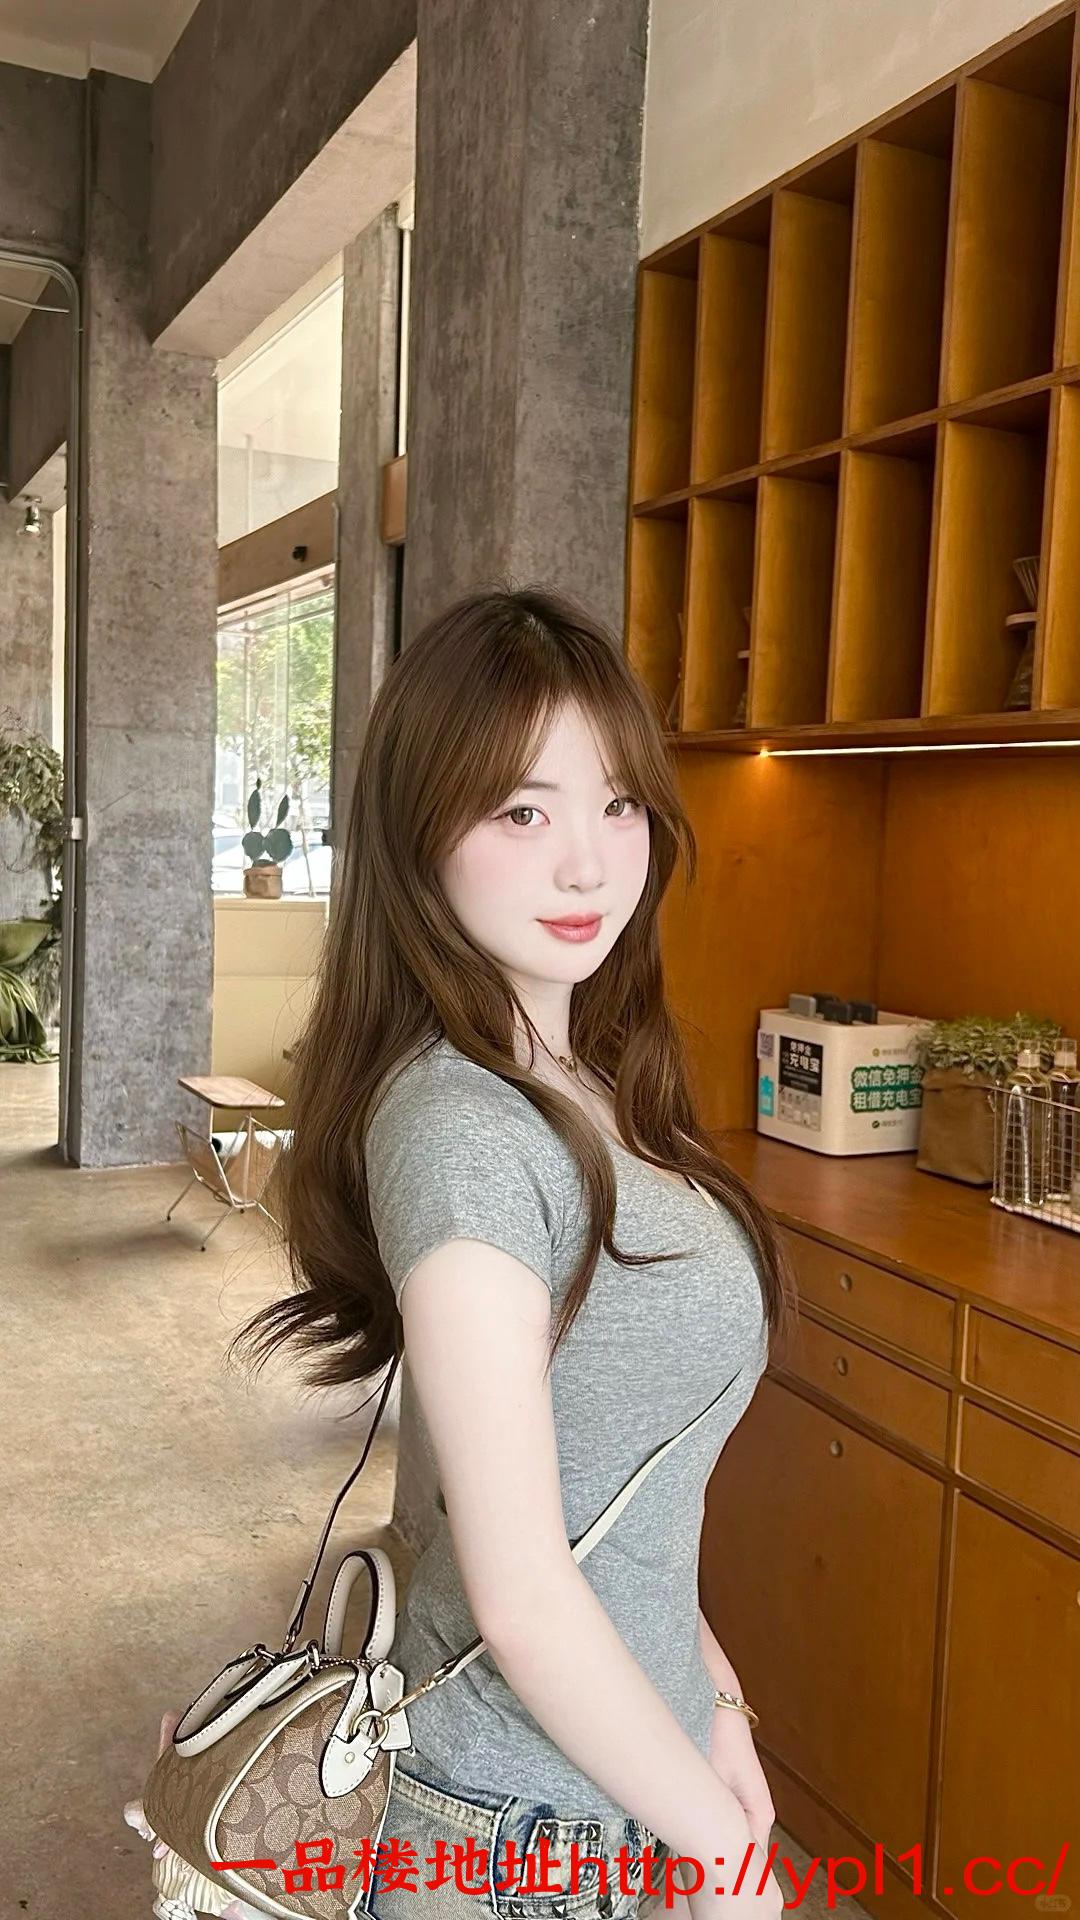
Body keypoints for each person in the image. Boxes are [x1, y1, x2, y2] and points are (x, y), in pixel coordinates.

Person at [135, 583, 798, 1920]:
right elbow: (523, 1597)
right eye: (522, 812)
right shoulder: (462, 1132)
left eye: (620, 803)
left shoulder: (592, 1083)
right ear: (420, 831)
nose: (589, 865)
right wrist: (725, 1858)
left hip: (624, 1780)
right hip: (510, 1839)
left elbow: (627, 1499)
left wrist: (715, 1705)